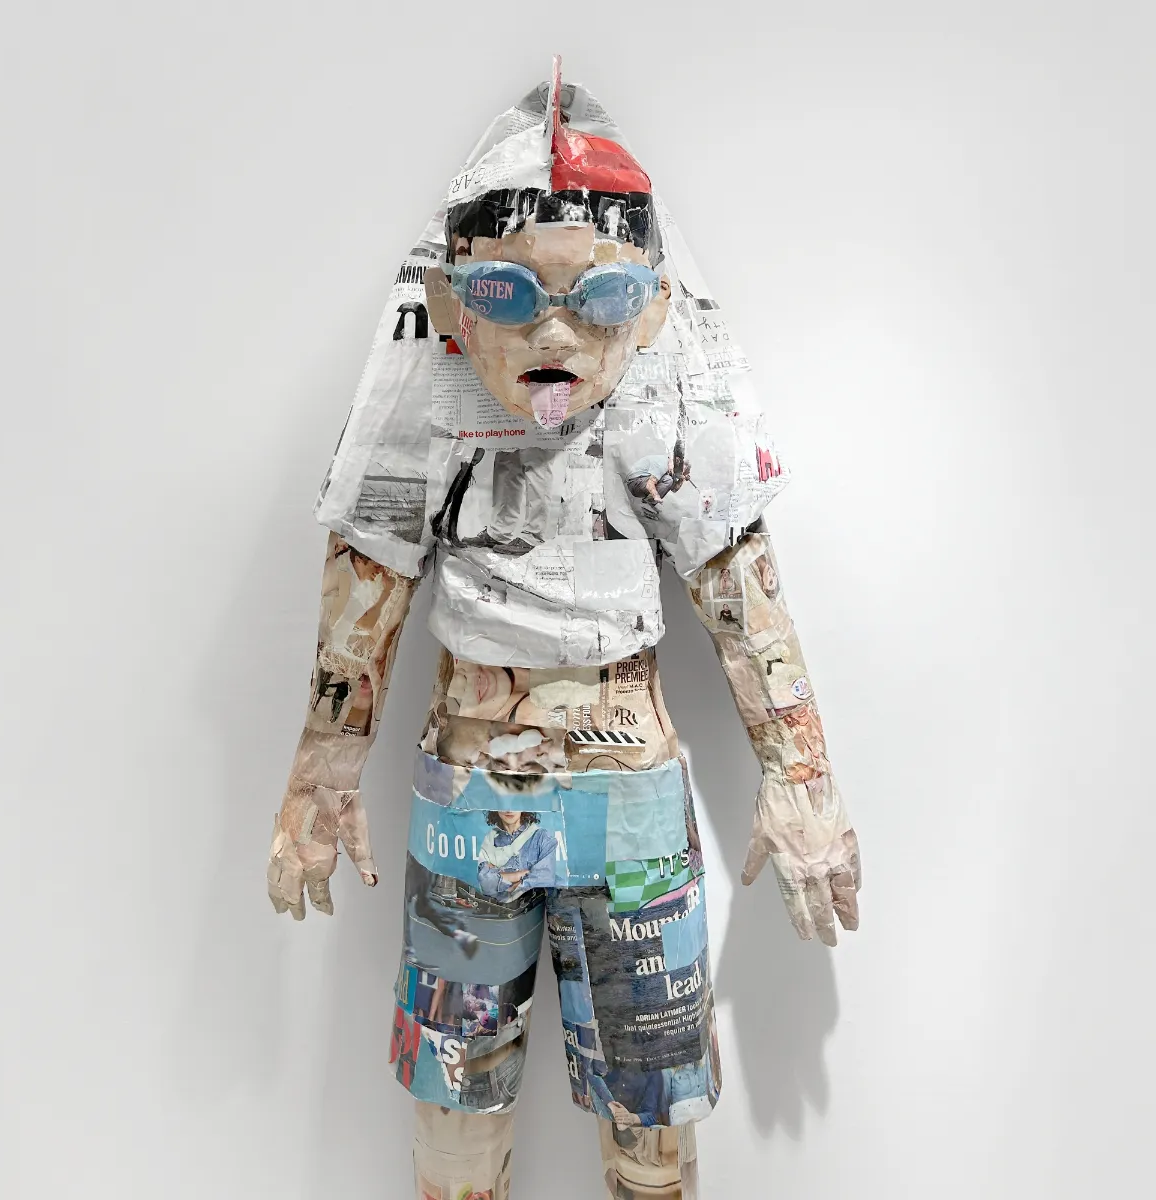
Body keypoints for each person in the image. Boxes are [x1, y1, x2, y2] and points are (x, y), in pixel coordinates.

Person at [268, 61, 862, 1200]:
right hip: (471, 807)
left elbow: (734, 566)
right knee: (454, 1118)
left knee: (652, 1128)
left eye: (597, 297)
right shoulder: (437, 394)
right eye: (505, 294)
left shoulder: (656, 392)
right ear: (452, 307)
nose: (552, 330)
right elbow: (374, 551)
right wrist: (322, 767)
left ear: (652, 309)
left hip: (625, 810)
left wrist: (804, 778)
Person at [475, 810, 559, 898]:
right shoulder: (489, 841)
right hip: (498, 906)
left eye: (514, 804)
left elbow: (544, 879)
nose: (509, 810)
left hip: (535, 905)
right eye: (503, 805)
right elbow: (485, 883)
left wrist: (503, 881)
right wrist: (516, 876)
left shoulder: (542, 837)